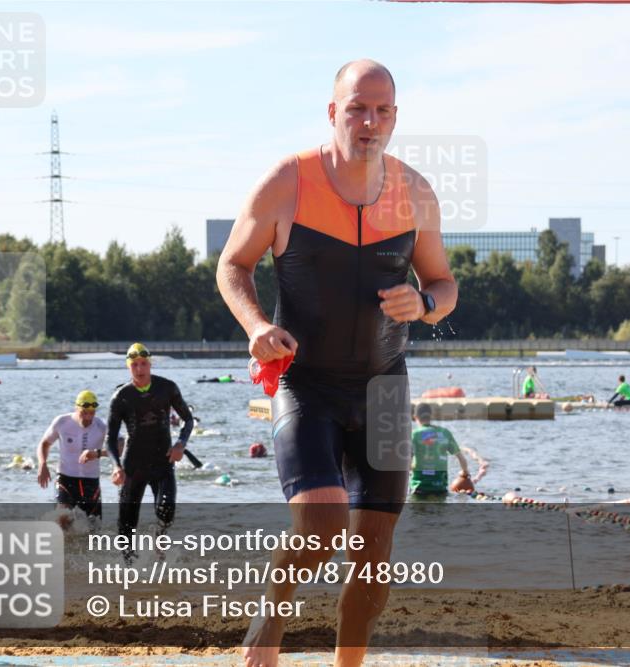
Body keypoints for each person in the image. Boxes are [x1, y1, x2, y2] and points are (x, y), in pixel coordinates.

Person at [216, 59, 458, 667]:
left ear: (395, 119)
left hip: (383, 388)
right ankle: (269, 625)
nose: (368, 122)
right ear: (333, 113)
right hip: (307, 382)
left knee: (374, 547)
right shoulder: (287, 182)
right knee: (322, 525)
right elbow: (232, 266)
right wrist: (257, 325)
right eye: (356, 108)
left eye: (381, 111)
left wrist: (425, 303)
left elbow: (444, 283)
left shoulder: (415, 192)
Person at [106, 343, 194, 562]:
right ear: (129, 367)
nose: (139, 369)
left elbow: (188, 419)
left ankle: (159, 537)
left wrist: (180, 444)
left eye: (143, 364)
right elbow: (110, 438)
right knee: (127, 523)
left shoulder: (167, 388)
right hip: (132, 466)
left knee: (166, 512)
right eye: (134, 365)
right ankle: (128, 566)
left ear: (150, 364)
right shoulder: (121, 397)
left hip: (162, 463)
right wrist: (116, 466)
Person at [37, 390, 106, 519]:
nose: (88, 418)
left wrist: (97, 453)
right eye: (84, 412)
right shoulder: (62, 422)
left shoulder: (101, 425)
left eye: (92, 412)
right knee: (62, 518)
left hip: (91, 482)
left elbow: (120, 446)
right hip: (66, 478)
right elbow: (44, 444)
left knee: (94, 527)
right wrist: (42, 464)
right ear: (77, 407)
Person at [409, 403, 469, 496]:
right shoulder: (445, 433)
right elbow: (461, 458)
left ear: (415, 417)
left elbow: (405, 463)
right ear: (431, 416)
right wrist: (465, 472)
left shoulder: (414, 434)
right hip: (440, 488)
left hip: (419, 487)